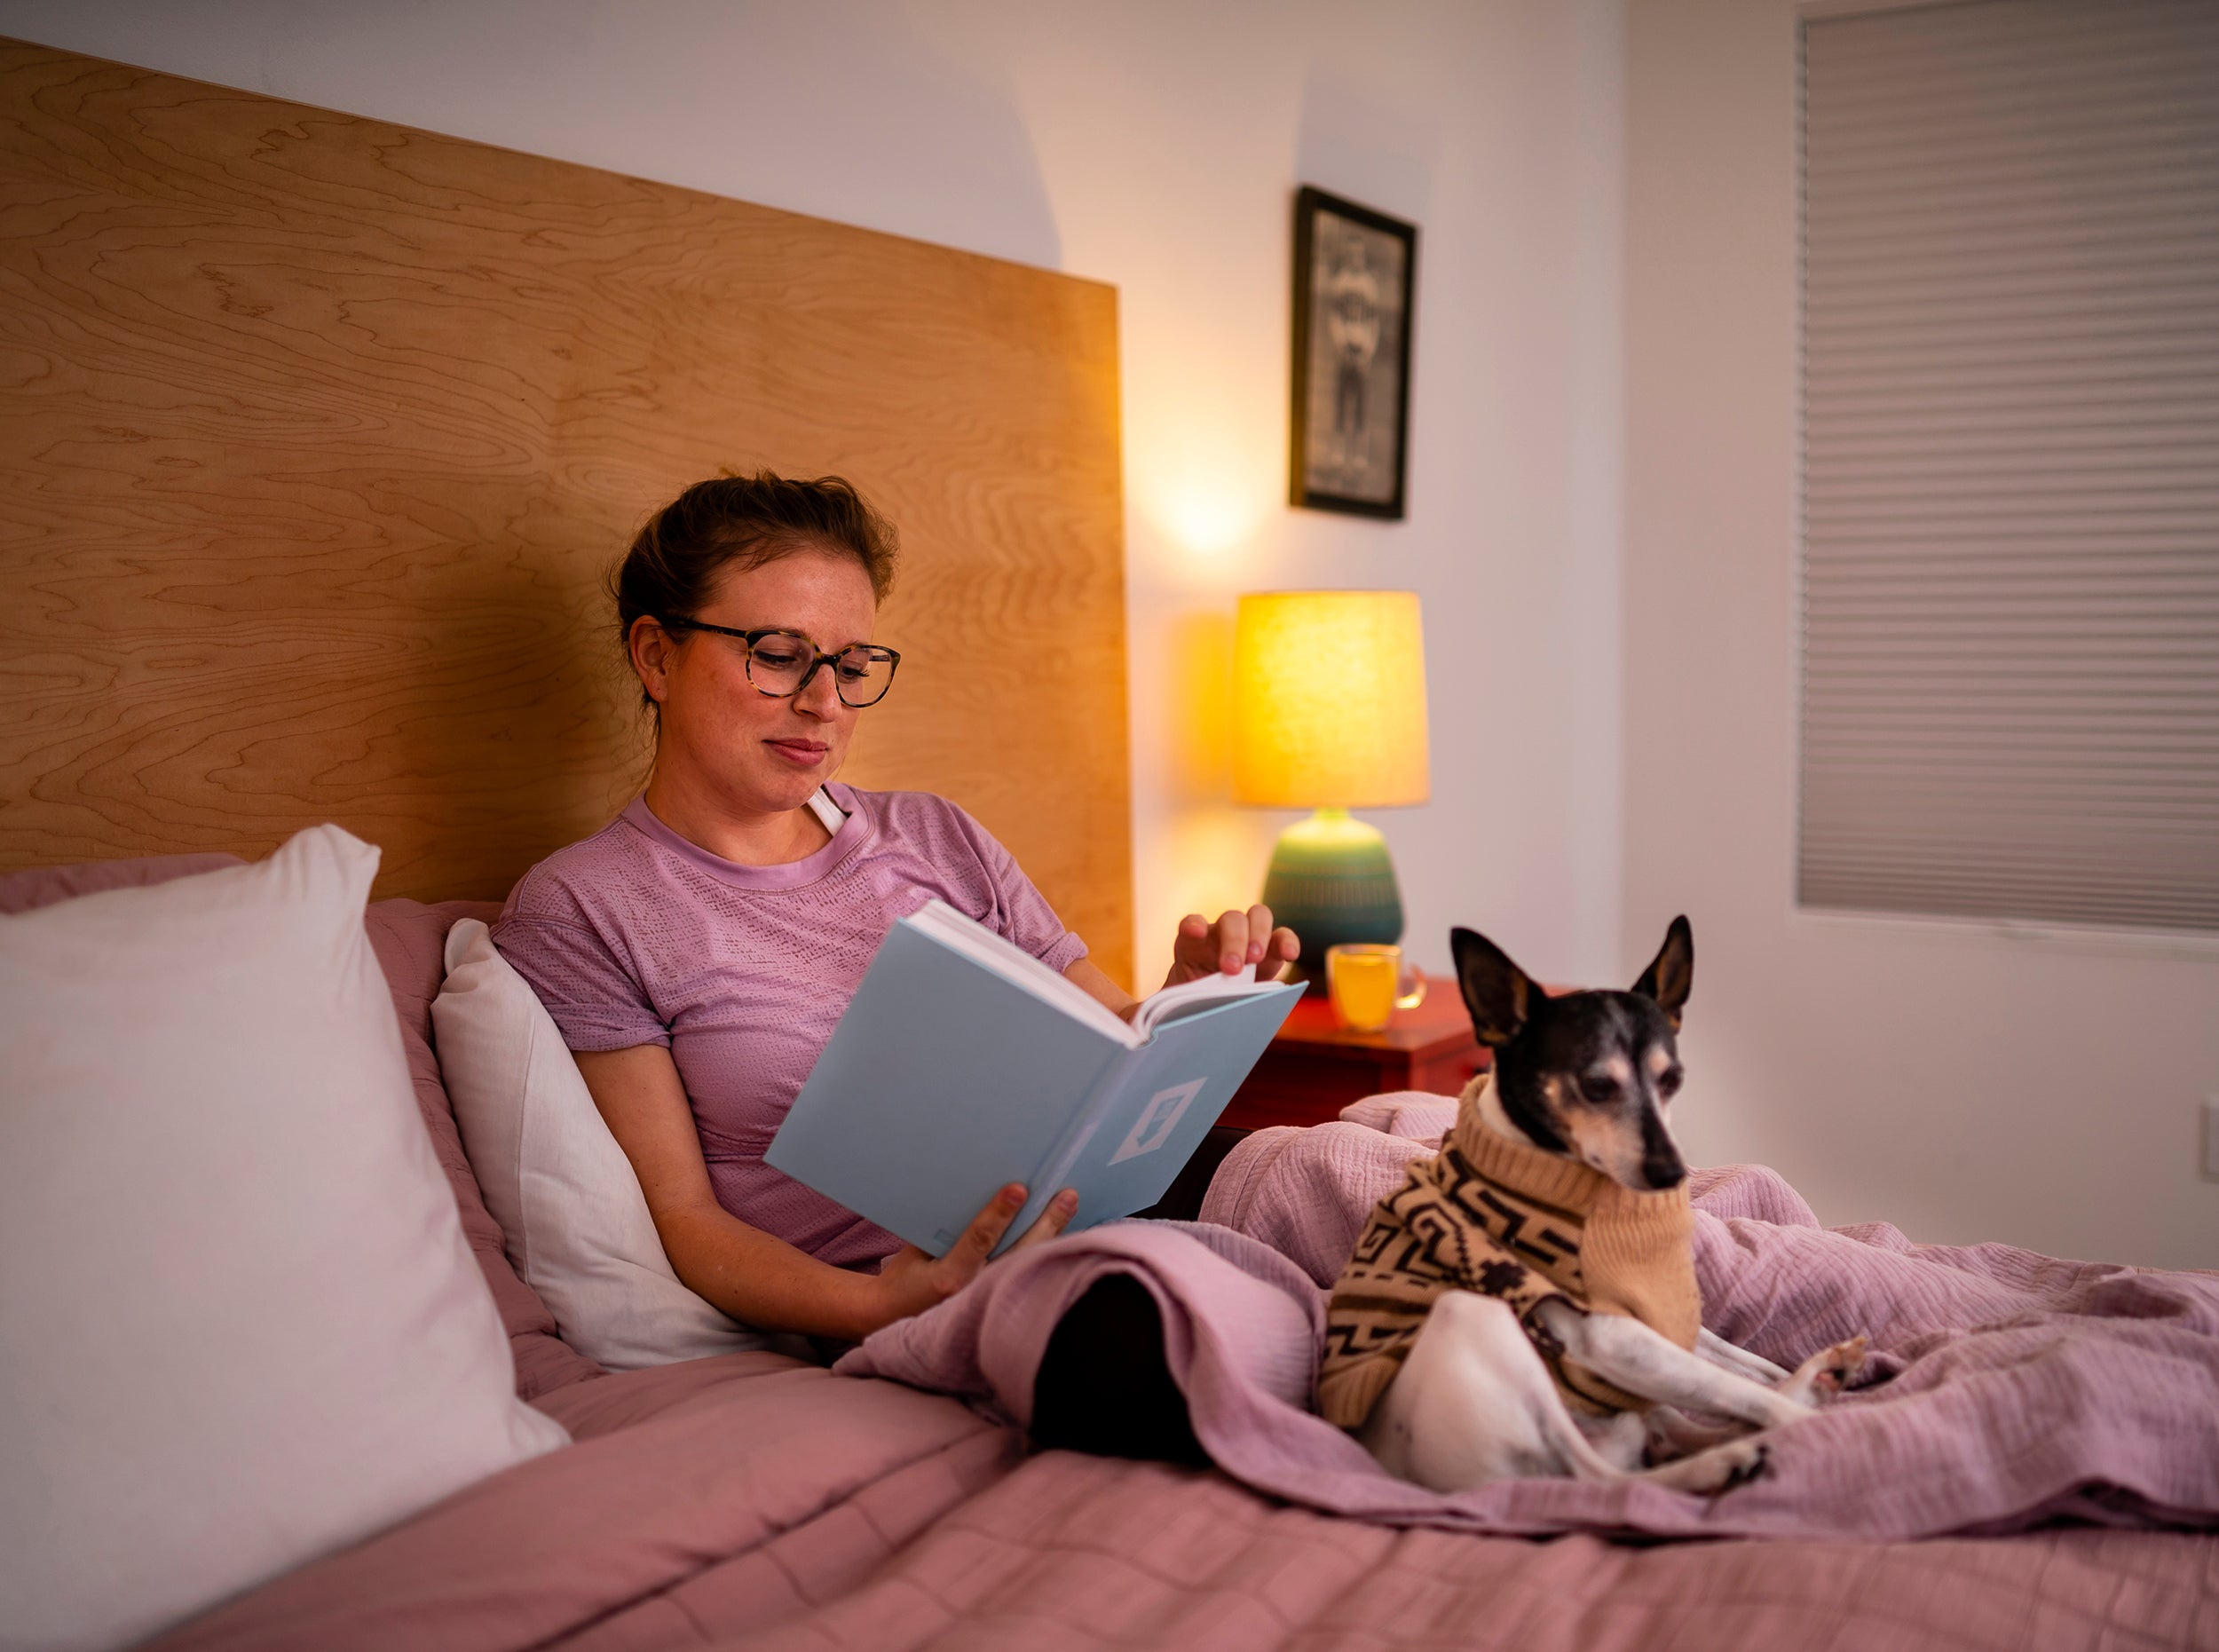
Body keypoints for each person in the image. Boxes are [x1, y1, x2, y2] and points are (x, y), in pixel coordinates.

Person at [494, 472, 1299, 1344]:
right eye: (777, 654)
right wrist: (880, 1305)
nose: (825, 704)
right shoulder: (587, 907)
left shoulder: (934, 835)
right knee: (1166, 1330)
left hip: (1089, 1216)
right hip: (907, 1295)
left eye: (850, 665)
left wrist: (1186, 994)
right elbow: (685, 1220)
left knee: (1347, 1173)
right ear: (655, 655)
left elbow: (1111, 1054)